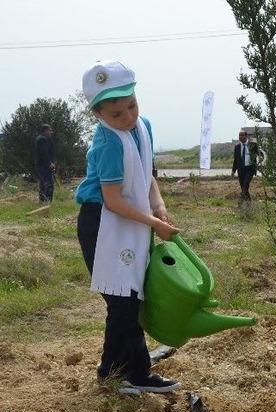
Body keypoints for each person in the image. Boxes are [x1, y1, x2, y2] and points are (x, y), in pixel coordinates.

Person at [75, 60, 180, 394]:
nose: (128, 117)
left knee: (133, 297)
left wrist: (159, 205)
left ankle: (135, 372)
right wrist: (152, 222)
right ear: (98, 114)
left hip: (131, 220)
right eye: (117, 114)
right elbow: (113, 200)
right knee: (121, 301)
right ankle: (113, 372)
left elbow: (146, 172)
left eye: (132, 106)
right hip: (103, 223)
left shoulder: (142, 127)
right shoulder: (106, 143)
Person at [232, 130, 259, 201]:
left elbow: (258, 154)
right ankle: (249, 202)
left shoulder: (252, 145)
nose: (240, 137)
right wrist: (233, 170)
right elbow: (236, 160)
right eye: (239, 135)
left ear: (246, 136)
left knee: (245, 184)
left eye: (242, 135)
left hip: (250, 169)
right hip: (241, 169)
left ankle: (241, 201)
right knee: (243, 186)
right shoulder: (237, 147)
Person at [35, 124, 56, 203]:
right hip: (42, 165)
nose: (51, 132)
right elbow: (43, 153)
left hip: (48, 165)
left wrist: (53, 162)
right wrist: (49, 163)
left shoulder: (49, 139)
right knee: (45, 183)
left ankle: (49, 200)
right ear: (45, 131)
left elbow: (51, 153)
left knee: (50, 183)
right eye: (50, 130)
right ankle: (43, 200)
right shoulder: (41, 140)